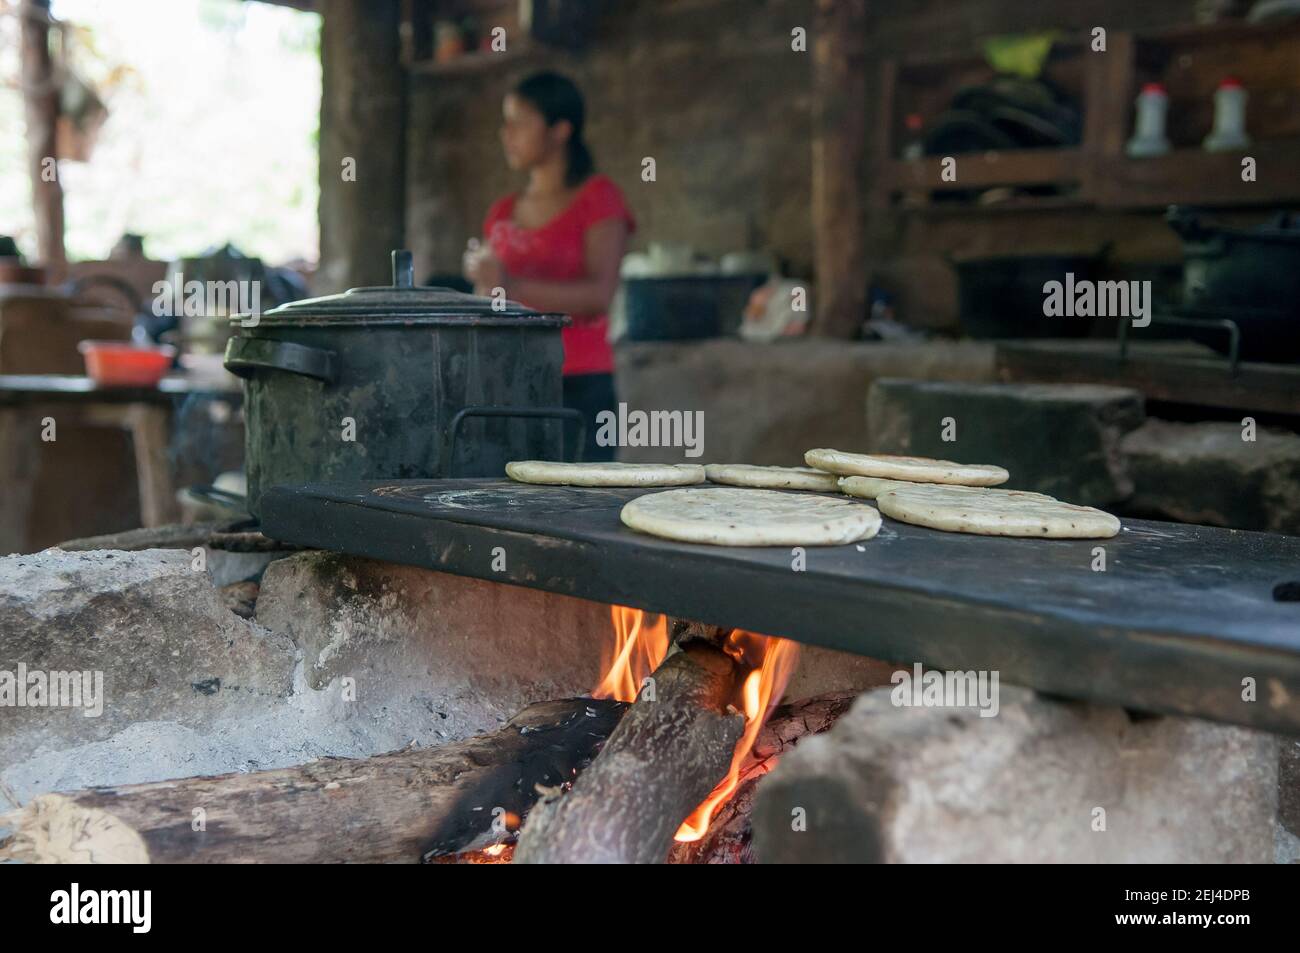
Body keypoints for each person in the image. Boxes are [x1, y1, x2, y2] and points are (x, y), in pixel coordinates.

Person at [463, 71, 634, 463]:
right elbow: (488, 300)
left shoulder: (598, 199)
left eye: (519, 122)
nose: (506, 133)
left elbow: (598, 296)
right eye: (505, 122)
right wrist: (482, 284)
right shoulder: (503, 212)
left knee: (574, 506)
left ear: (560, 130)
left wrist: (508, 282)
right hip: (505, 382)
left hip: (577, 383)